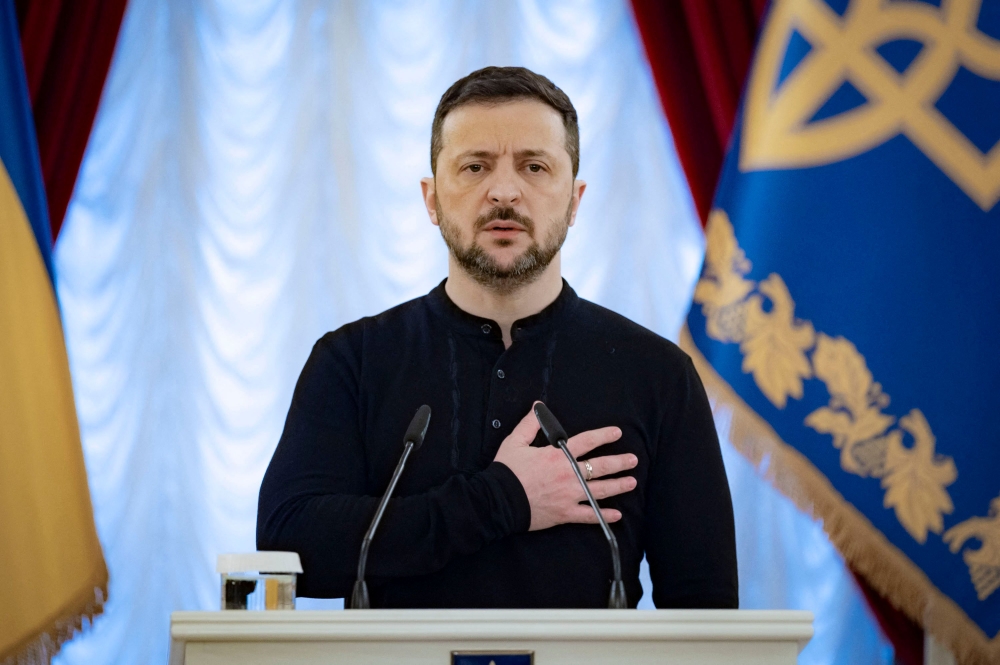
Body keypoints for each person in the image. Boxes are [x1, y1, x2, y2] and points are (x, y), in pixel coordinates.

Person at [257, 66, 737, 609]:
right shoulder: (352, 361)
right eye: (474, 167)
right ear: (432, 198)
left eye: (534, 167)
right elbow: (290, 548)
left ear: (575, 200)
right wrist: (504, 499)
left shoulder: (659, 374)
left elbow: (706, 607)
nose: (503, 191)